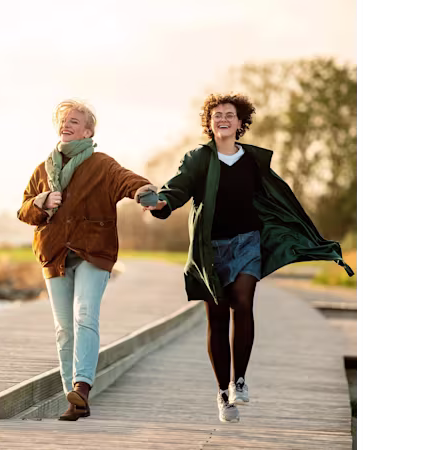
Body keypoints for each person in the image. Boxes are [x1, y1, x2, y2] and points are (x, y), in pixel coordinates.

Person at [142, 93, 354, 423]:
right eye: (216, 115)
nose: (222, 119)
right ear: (209, 123)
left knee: (243, 302)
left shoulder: (253, 160)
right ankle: (222, 393)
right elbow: (178, 188)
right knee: (216, 318)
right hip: (210, 250)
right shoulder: (199, 158)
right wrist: (161, 202)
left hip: (247, 243)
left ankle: (238, 380)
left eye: (229, 114)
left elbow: (277, 199)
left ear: (241, 122)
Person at [17, 99, 158, 421]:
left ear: (88, 131)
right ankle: (73, 399)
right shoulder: (43, 169)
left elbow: (127, 180)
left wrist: (144, 192)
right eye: (63, 120)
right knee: (64, 329)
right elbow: (24, 210)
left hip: (93, 251)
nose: (66, 125)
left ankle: (81, 387)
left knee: (84, 316)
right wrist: (41, 202)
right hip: (54, 254)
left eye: (75, 121)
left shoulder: (101, 164)